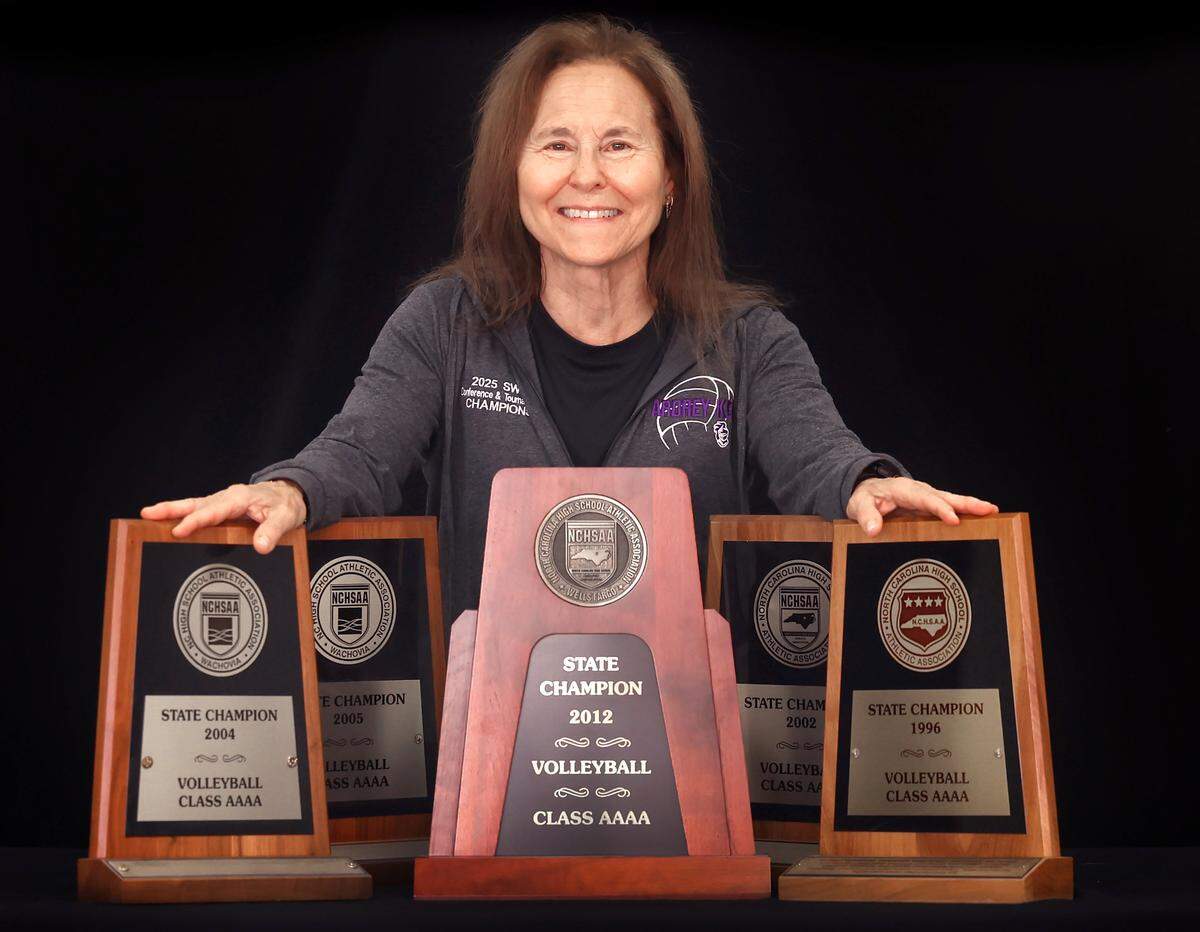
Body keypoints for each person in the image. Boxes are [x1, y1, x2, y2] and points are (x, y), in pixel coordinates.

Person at [142, 15, 997, 628]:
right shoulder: (444, 323)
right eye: (556, 144)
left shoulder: (750, 343)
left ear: (670, 183)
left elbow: (818, 457)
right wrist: (287, 488)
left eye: (619, 146)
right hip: (488, 771)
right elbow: (361, 449)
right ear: (513, 176)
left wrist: (863, 483)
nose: (587, 176)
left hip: (695, 774)